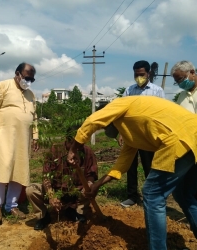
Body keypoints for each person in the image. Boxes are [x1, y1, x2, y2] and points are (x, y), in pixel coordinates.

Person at [67, 96, 197, 250]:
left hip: (178, 138)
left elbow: (93, 120)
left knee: (152, 194)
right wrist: (97, 185)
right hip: (192, 134)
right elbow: (122, 164)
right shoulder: (131, 134)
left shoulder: (120, 103)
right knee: (184, 195)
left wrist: (74, 148)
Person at [0, 62, 39, 224]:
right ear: (17, 73)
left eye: (32, 79)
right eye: (27, 78)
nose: (29, 81)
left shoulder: (31, 95)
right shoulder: (3, 86)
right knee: (2, 169)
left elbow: (34, 118)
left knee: (19, 170)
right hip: (4, 137)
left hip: (23, 139)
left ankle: (11, 205)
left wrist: (35, 136)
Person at [26, 130, 98, 230]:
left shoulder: (87, 151)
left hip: (76, 194)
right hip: (56, 191)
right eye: (72, 143)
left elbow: (91, 174)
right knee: (31, 190)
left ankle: (77, 212)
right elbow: (46, 176)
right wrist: (51, 196)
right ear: (66, 141)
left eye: (79, 144)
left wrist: (89, 184)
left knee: (91, 188)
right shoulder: (55, 150)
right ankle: (43, 217)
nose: (75, 148)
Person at [119, 60, 165, 208]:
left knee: (149, 166)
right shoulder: (129, 91)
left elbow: (162, 114)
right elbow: (123, 112)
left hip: (148, 136)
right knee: (130, 166)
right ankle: (132, 196)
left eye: (141, 74)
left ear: (148, 73)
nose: (139, 77)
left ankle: (151, 197)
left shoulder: (157, 91)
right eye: (136, 74)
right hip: (131, 135)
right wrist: (121, 132)